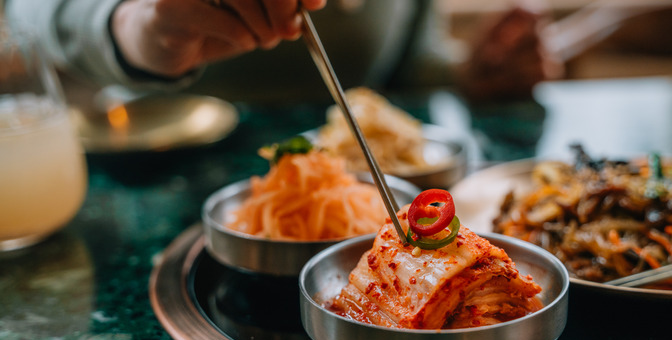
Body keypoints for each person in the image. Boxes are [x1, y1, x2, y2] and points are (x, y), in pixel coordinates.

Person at [3, 0, 560, 104]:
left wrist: (472, 70)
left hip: (360, 191)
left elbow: (406, 49)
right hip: (155, 173)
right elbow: (31, 11)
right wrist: (132, 24)